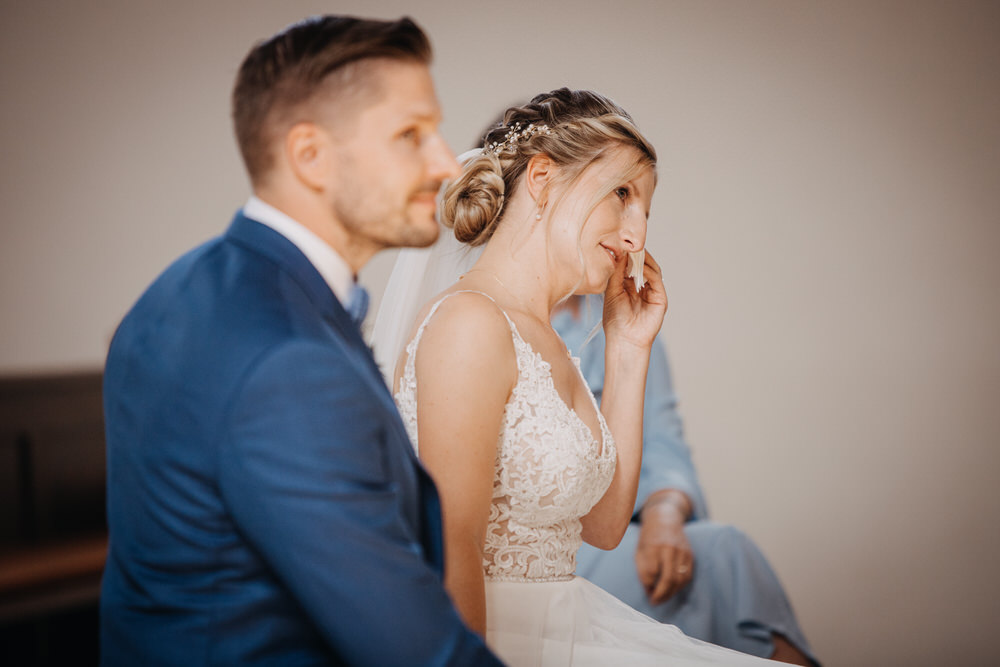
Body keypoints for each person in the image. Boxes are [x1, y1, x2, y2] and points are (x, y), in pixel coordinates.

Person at [100, 16, 502, 666]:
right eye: (411, 135)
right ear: (309, 155)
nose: (446, 163)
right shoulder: (291, 365)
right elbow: (416, 652)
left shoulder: (175, 289)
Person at [376, 88, 776, 665]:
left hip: (567, 628)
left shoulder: (550, 340)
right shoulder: (470, 322)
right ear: (542, 178)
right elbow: (451, 540)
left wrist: (629, 348)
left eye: (646, 210)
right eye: (622, 194)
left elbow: (606, 523)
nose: (637, 235)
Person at [553, 295, 819, 665]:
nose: (630, 239)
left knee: (725, 550)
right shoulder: (490, 320)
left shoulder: (621, 317)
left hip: (618, 525)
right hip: (556, 550)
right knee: (718, 564)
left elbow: (664, 442)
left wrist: (664, 512)